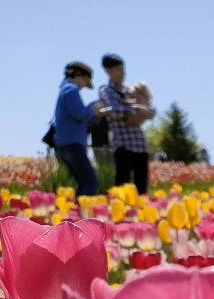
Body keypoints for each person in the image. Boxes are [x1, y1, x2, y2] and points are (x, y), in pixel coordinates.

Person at [98, 53, 153, 195]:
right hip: (122, 144)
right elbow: (115, 111)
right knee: (122, 186)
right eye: (118, 70)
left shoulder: (131, 90)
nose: (122, 73)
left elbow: (151, 110)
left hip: (140, 144)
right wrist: (137, 109)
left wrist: (135, 109)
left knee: (142, 189)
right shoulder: (106, 90)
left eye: (123, 69)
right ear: (108, 71)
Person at [53, 61, 100, 196]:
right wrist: (94, 111)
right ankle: (84, 209)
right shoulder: (71, 90)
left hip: (64, 144)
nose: (84, 86)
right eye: (86, 81)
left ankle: (77, 208)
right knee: (91, 182)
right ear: (80, 75)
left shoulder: (64, 89)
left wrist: (94, 115)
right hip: (73, 144)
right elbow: (79, 113)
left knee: (83, 183)